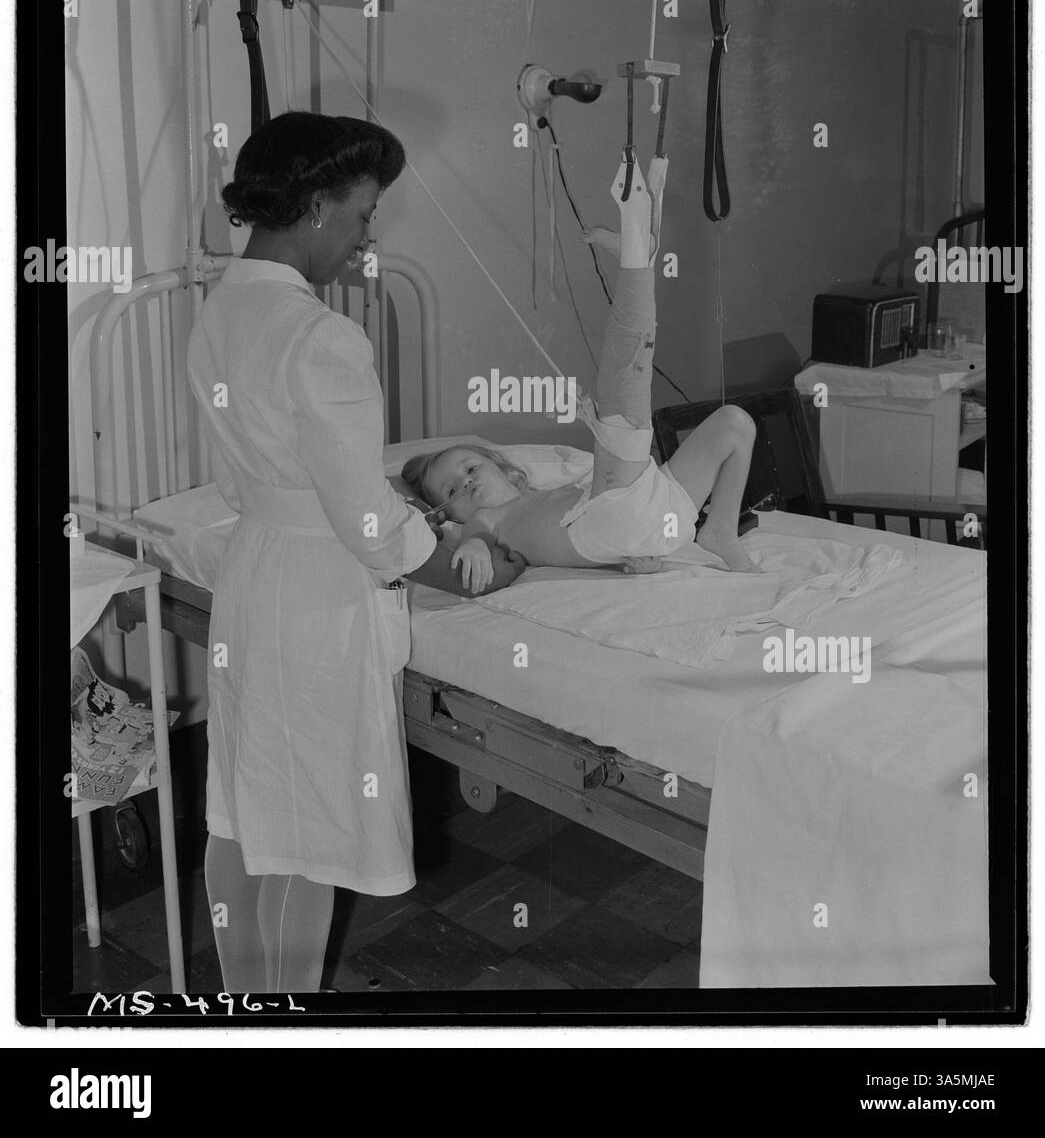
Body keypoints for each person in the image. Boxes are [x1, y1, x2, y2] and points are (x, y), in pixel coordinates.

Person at [187, 111, 524, 993]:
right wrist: (450, 553)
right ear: (314, 204)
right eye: (365, 212)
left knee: (246, 811)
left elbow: (249, 483)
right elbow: (368, 525)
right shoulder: (320, 335)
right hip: (317, 607)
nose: (368, 234)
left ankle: (235, 1005)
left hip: (255, 578)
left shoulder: (219, 307)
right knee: (313, 831)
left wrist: (378, 516)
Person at [402, 173, 758, 588]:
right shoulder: (486, 520)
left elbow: (590, 545)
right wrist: (473, 546)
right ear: (449, 515)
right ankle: (635, 257)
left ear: (509, 471)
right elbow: (477, 537)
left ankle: (720, 530)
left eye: (470, 466)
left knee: (734, 423)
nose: (465, 481)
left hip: (648, 511)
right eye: (450, 490)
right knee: (624, 388)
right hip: (618, 512)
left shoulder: (552, 491)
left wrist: (630, 556)